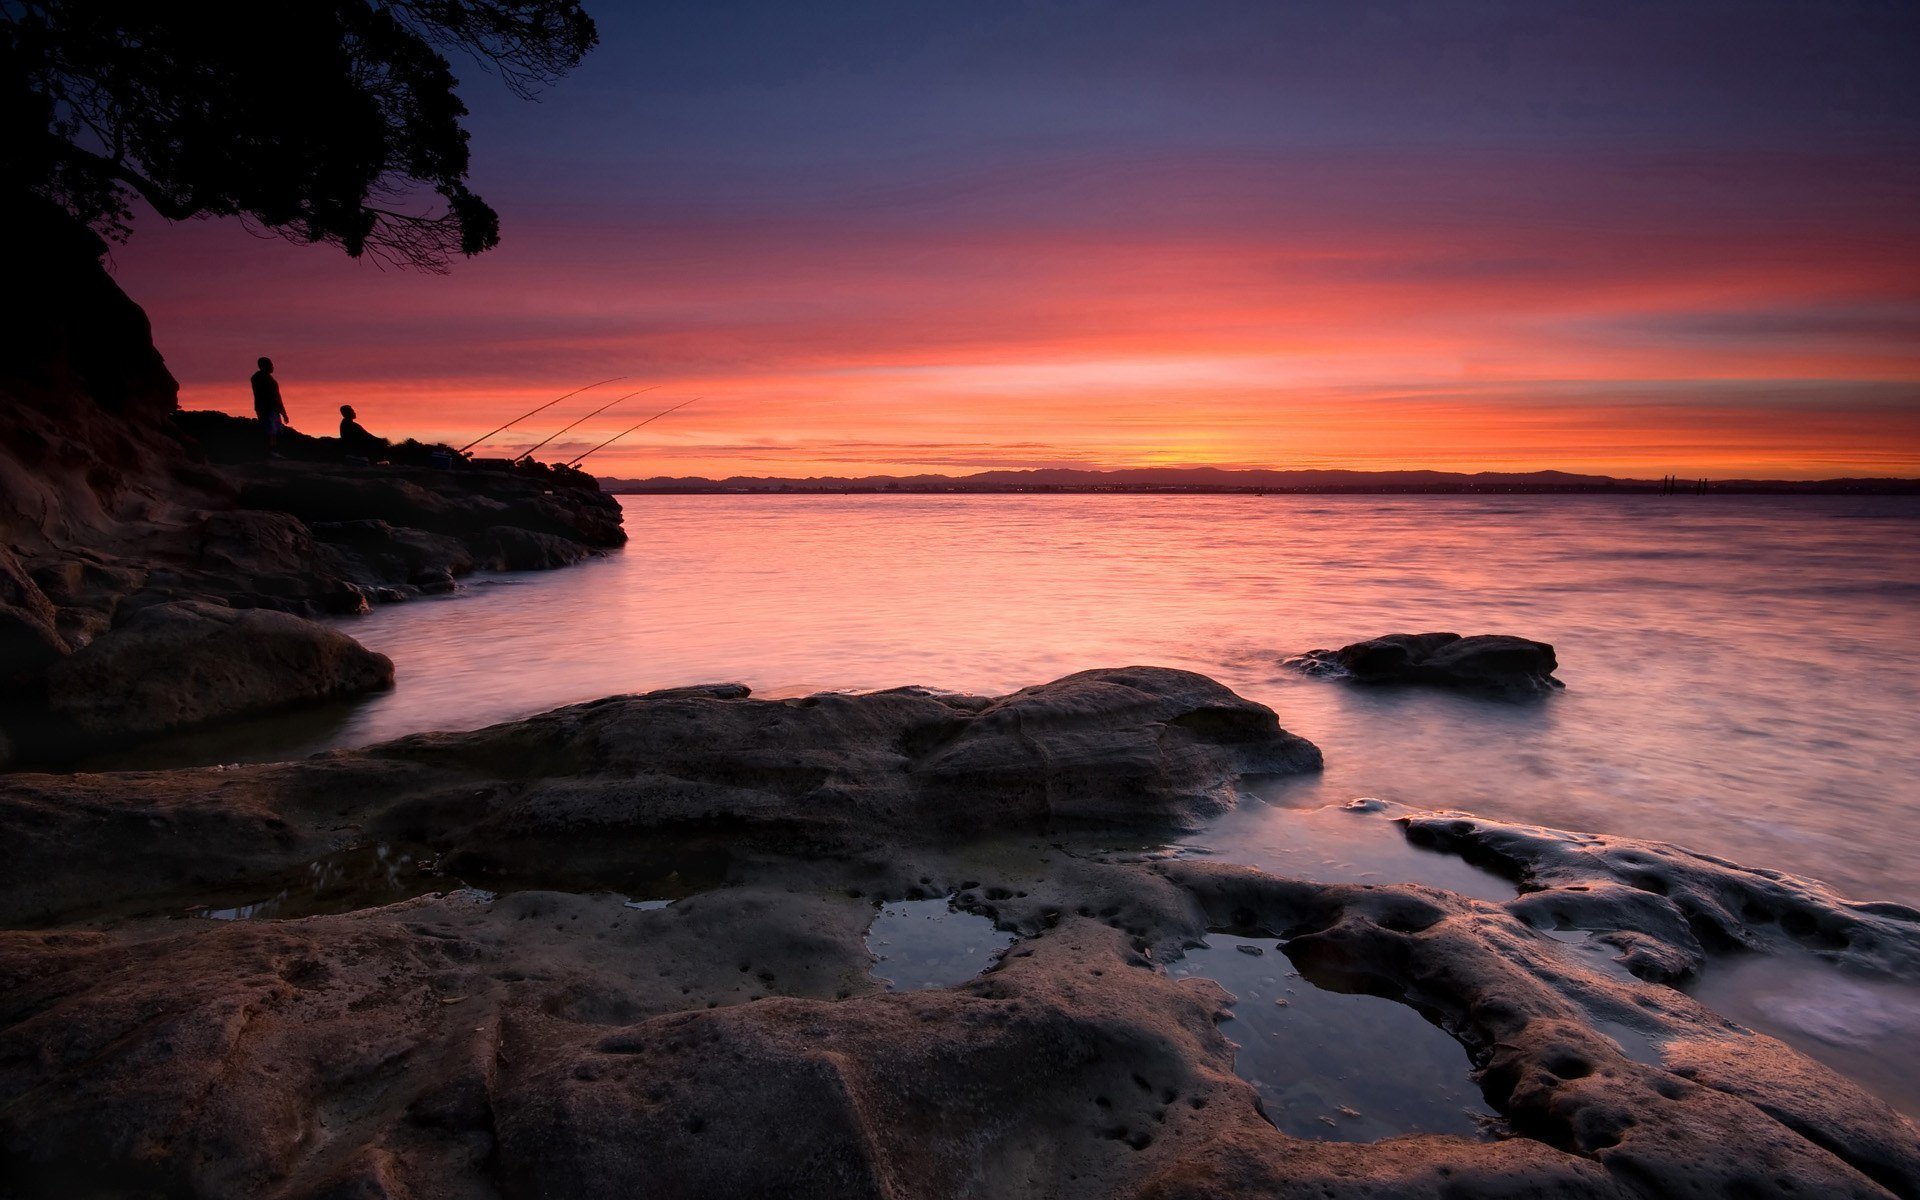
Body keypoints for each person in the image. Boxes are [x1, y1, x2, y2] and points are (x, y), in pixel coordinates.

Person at [251, 357, 289, 454]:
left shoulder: (271, 380)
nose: (272, 366)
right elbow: (270, 395)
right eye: (270, 364)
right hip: (266, 408)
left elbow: (278, 397)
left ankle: (273, 451)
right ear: (263, 366)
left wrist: (283, 413)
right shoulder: (257, 378)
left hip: (273, 409)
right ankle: (268, 452)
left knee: (275, 431)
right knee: (270, 431)